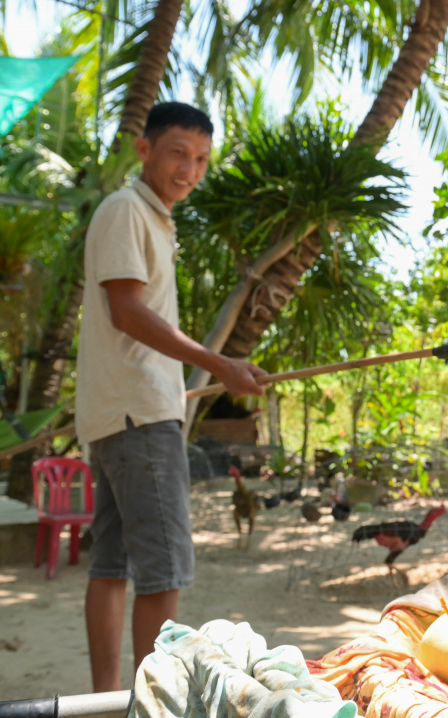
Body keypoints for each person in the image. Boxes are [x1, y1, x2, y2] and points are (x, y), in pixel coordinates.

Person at [76, 102, 267, 691]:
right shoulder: (126, 209)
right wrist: (220, 364)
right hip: (141, 416)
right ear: (145, 150)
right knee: (164, 574)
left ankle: (109, 701)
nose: (190, 169)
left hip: (119, 416)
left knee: (111, 566)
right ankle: (149, 705)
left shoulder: (152, 218)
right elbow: (127, 311)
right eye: (179, 153)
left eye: (202, 159)